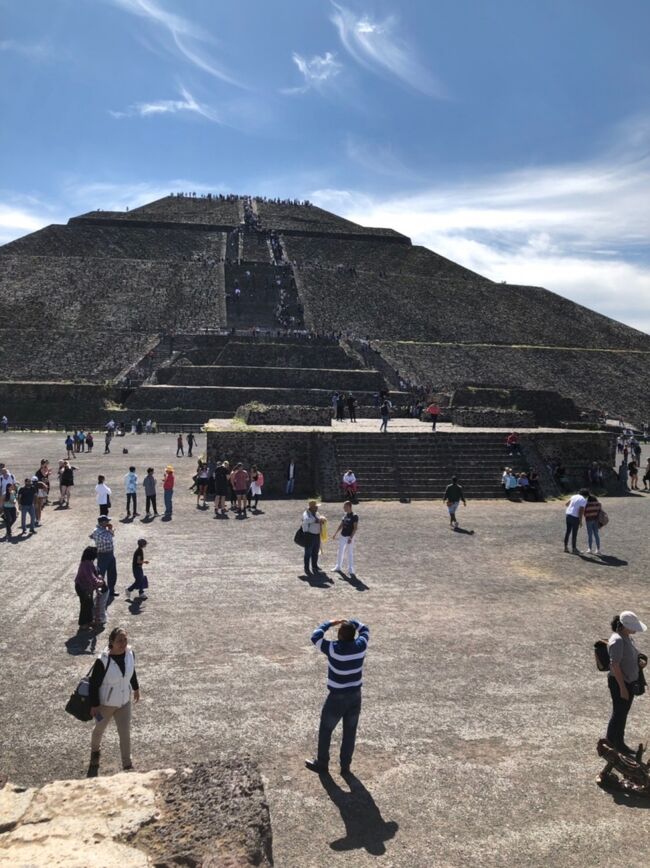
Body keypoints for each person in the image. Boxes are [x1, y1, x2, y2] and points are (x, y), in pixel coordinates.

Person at [305, 617, 370, 775]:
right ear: (353, 635)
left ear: (339, 635)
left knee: (326, 730)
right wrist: (352, 621)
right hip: (355, 695)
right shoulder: (361, 646)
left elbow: (315, 636)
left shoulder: (333, 648)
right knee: (350, 732)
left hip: (337, 697)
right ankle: (345, 767)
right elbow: (365, 629)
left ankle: (322, 764)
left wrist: (330, 622)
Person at [87, 627, 140, 777]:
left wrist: (136, 688)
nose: (123, 643)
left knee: (125, 733)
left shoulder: (130, 654)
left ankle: (127, 764)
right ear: (111, 642)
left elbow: (132, 672)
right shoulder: (103, 661)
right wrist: (95, 705)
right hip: (105, 704)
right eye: (119, 641)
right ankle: (95, 752)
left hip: (124, 702)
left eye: (125, 640)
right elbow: (94, 684)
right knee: (99, 730)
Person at [605, 612, 647, 755]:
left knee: (622, 713)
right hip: (620, 683)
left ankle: (617, 742)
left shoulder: (626, 638)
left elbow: (630, 656)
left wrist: (639, 662)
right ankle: (611, 744)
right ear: (625, 626)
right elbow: (614, 665)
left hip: (628, 682)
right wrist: (622, 687)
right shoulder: (618, 641)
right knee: (619, 713)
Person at [75, 547, 105, 631]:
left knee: (90, 604)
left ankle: (89, 620)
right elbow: (91, 577)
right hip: (82, 588)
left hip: (88, 587)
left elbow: (94, 573)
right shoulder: (86, 564)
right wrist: (99, 582)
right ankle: (82, 623)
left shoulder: (88, 563)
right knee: (85, 605)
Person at [91, 515, 118, 597]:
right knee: (100, 574)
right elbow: (109, 539)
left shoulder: (103, 529)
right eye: (107, 521)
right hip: (102, 555)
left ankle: (111, 590)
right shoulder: (97, 531)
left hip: (110, 553)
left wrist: (110, 530)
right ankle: (100, 590)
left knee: (112, 573)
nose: (108, 523)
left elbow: (112, 535)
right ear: (102, 522)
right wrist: (111, 530)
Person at [332, 501, 358, 577]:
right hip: (342, 536)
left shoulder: (355, 516)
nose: (344, 508)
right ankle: (338, 567)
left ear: (349, 507)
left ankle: (350, 569)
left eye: (345, 507)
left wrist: (351, 537)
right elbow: (341, 524)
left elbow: (355, 528)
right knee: (340, 551)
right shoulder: (345, 515)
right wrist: (335, 533)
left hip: (349, 537)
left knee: (349, 552)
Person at [302, 499, 325, 575]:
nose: (317, 508)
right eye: (316, 506)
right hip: (309, 535)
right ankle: (306, 568)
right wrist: (317, 520)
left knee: (315, 552)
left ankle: (314, 566)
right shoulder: (306, 514)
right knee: (308, 553)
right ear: (311, 507)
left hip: (316, 535)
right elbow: (307, 520)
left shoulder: (316, 513)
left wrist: (321, 520)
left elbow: (319, 519)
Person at [563, 488, 588, 553]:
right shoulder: (583, 499)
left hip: (568, 514)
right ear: (585, 495)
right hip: (575, 517)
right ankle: (574, 548)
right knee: (574, 533)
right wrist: (580, 521)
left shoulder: (573, 496)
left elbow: (566, 504)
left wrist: (572, 507)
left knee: (568, 531)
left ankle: (565, 547)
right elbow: (581, 511)